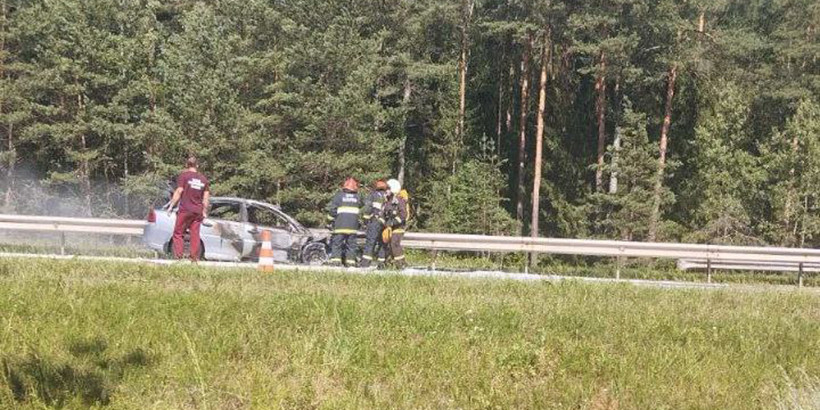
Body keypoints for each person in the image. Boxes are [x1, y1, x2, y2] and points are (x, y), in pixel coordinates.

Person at [167, 156, 210, 262]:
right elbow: (206, 198)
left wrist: (171, 205)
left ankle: (178, 257)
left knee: (178, 233)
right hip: (197, 211)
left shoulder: (184, 176)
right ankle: (194, 258)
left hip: (185, 209)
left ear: (187, 165)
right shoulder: (204, 179)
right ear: (197, 166)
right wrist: (204, 211)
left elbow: (179, 191)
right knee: (195, 234)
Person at [326, 177, 362, 267]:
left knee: (337, 244)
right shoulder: (358, 197)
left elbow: (333, 210)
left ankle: (336, 262)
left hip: (340, 226)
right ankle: (350, 263)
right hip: (353, 227)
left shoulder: (339, 196)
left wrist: (329, 220)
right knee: (351, 245)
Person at [380, 178, 409, 269]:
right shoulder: (387, 201)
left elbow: (403, 214)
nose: (385, 191)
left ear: (393, 189)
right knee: (389, 245)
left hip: (398, 227)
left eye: (387, 189)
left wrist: (393, 222)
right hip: (389, 228)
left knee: (395, 243)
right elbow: (384, 214)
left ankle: (400, 264)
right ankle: (390, 263)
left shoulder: (399, 200)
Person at [360, 179, 388, 268]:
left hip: (375, 222)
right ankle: (381, 264)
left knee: (370, 242)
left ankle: (365, 263)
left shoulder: (373, 195)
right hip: (385, 223)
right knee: (382, 243)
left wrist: (365, 220)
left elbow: (368, 208)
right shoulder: (388, 196)